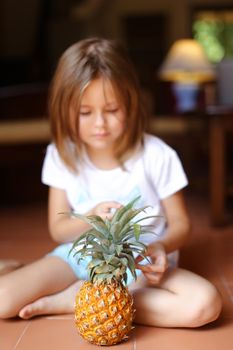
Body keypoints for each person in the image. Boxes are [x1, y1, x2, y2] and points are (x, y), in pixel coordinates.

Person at [0, 37, 222, 326]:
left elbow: (181, 224)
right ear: (62, 110)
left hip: (140, 266)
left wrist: (161, 247)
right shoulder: (61, 155)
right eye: (84, 112)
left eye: (112, 110)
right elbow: (58, 229)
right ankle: (95, 298)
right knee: (4, 301)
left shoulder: (157, 155)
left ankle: (78, 300)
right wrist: (89, 218)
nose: (99, 124)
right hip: (77, 257)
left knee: (204, 305)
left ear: (130, 103)